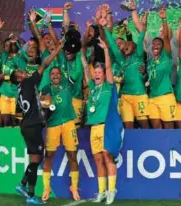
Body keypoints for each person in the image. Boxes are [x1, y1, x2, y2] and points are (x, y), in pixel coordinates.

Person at [12, 41, 63, 205]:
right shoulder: (29, 82)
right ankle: (31, 195)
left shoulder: (19, 90)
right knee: (36, 159)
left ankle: (22, 185)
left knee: (34, 158)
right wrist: (57, 51)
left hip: (26, 126)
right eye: (21, 72)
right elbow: (45, 64)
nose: (23, 71)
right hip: (33, 126)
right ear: (19, 77)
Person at [81, 36, 118, 205]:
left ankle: (111, 191)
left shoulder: (109, 87)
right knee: (97, 160)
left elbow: (109, 68)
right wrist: (81, 53)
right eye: (95, 72)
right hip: (93, 128)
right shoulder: (92, 89)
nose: (96, 74)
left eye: (99, 73)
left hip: (105, 127)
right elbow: (85, 68)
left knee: (107, 157)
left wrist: (105, 50)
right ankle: (102, 191)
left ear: (104, 75)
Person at [40, 67, 80, 202]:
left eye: (57, 73)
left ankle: (74, 187)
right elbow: (42, 105)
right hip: (53, 125)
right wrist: (45, 104)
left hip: (68, 122)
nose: (55, 76)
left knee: (72, 155)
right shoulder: (46, 88)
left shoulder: (67, 84)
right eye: (53, 74)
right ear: (50, 76)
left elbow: (78, 70)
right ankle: (46, 188)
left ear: (61, 75)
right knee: (49, 156)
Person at [103, 12, 149, 129]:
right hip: (125, 96)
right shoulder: (121, 60)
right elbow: (113, 46)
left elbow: (140, 38)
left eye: (129, 44)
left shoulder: (138, 56)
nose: (126, 46)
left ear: (134, 48)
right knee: (127, 125)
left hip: (140, 95)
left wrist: (144, 24)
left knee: (144, 124)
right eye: (125, 45)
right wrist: (105, 27)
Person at [146, 7, 176, 129]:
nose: (155, 45)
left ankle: (172, 148)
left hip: (165, 96)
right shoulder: (149, 61)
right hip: (152, 97)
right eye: (154, 44)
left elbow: (166, 38)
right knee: (156, 129)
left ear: (163, 47)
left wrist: (164, 19)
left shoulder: (166, 57)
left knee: (169, 127)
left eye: (159, 44)